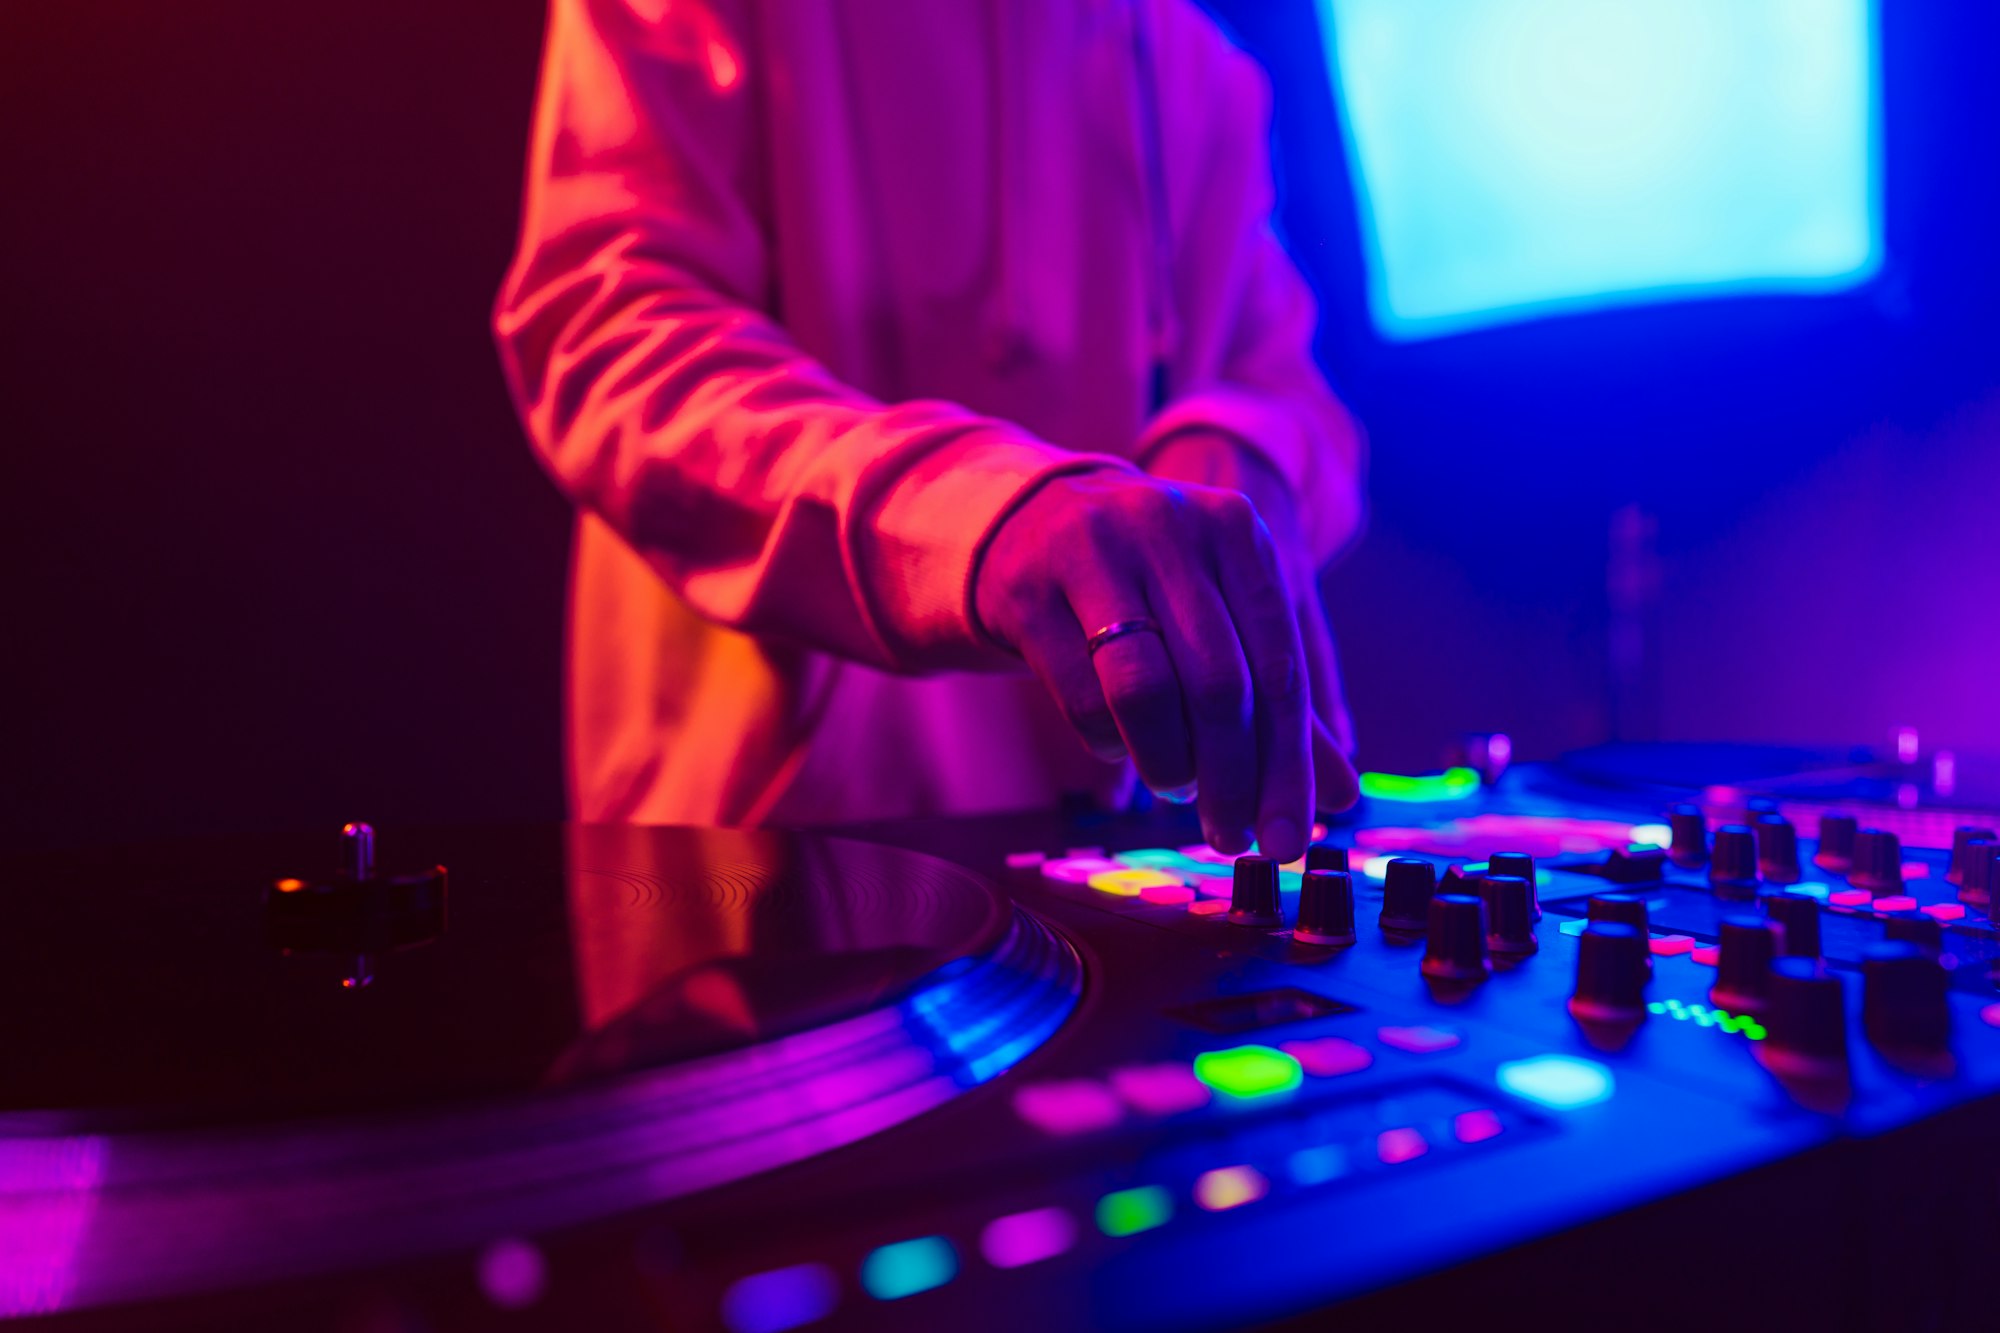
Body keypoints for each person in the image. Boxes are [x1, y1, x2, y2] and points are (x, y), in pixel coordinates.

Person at [494, 0, 1367, 865]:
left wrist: (1234, 454)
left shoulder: (1192, 60)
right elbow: (607, 331)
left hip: (1110, 852)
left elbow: (1296, 397)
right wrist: (979, 521)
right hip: (766, 875)